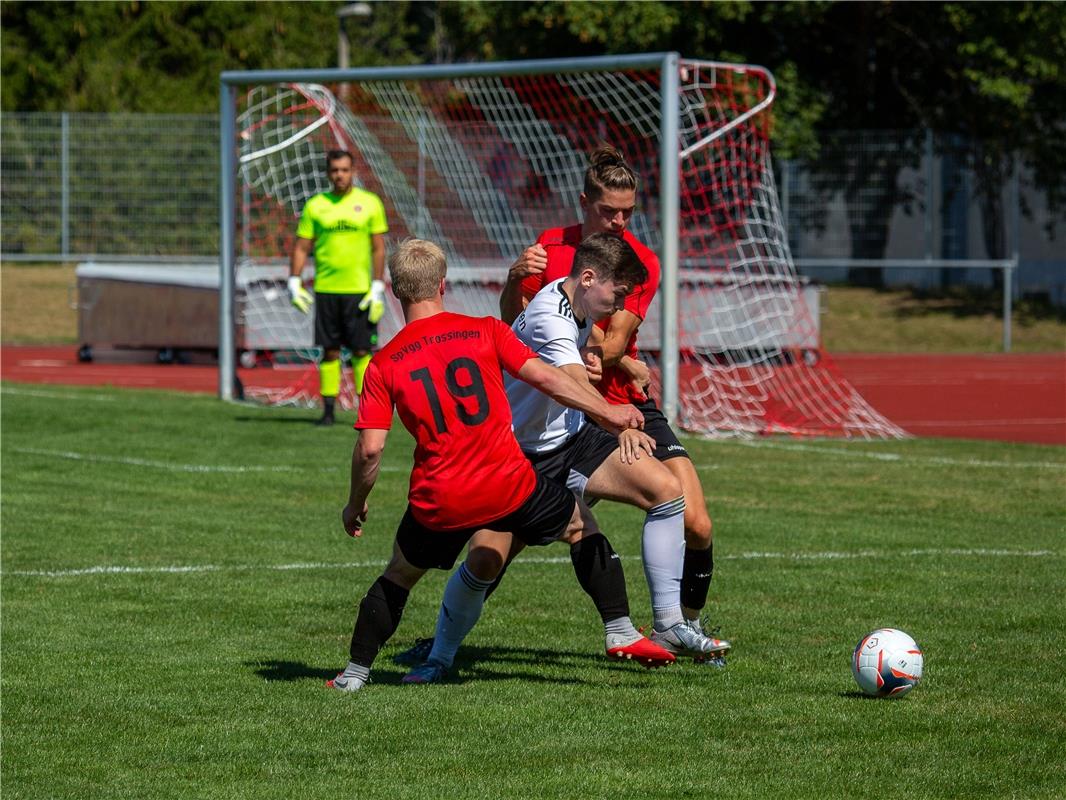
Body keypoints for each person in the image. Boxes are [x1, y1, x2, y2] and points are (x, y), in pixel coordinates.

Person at [328, 238, 674, 693]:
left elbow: (370, 450)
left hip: (439, 498)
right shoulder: (486, 330)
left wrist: (356, 503)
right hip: (509, 483)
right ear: (443, 286)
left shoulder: (384, 363)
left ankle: (354, 674)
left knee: (399, 575)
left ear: (395, 291)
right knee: (579, 525)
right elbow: (548, 378)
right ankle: (620, 629)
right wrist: (610, 413)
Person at [402, 233, 728, 685]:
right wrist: (618, 423)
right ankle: (438, 657)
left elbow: (577, 366)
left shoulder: (577, 303)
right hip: (516, 454)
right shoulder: (551, 319)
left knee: (666, 492)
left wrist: (608, 364)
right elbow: (571, 385)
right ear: (589, 277)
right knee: (486, 561)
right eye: (616, 293)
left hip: (569, 440)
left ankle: (669, 624)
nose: (618, 306)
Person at [501, 144, 726, 652]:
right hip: (564, 412)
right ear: (585, 202)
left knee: (696, 520)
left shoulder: (640, 260)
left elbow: (615, 340)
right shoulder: (550, 245)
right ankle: (443, 638)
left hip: (623, 403)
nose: (620, 221)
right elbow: (517, 325)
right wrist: (516, 276)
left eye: (628, 211)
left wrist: (617, 362)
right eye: (608, 211)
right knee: (503, 543)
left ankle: (681, 628)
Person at [289, 149, 388, 426]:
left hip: (360, 291)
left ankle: (366, 410)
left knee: (361, 352)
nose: (340, 175)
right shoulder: (316, 205)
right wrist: (294, 281)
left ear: (353, 171)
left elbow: (378, 248)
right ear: (327, 173)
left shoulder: (370, 203)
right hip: (326, 290)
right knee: (329, 350)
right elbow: (301, 246)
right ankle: (329, 412)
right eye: (334, 170)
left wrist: (378, 285)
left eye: (344, 169)